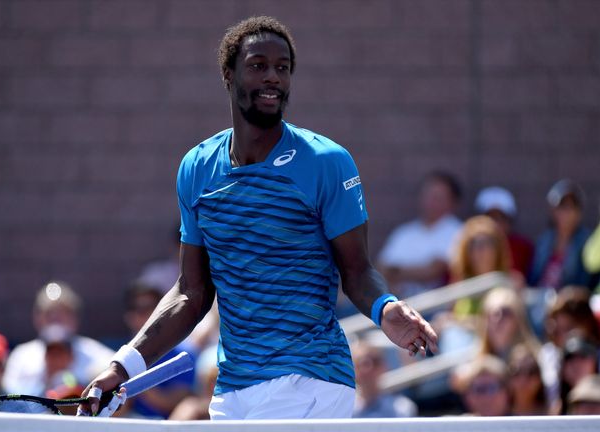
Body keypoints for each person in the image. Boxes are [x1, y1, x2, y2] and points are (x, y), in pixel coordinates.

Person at [78, 16, 438, 420]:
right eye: (258, 65)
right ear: (228, 75)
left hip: (311, 377)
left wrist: (385, 308)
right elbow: (190, 293)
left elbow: (356, 270)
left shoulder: (326, 162)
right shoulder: (196, 169)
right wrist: (122, 366)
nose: (273, 77)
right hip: (234, 389)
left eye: (282, 68)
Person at [2, 281, 114, 396]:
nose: (55, 318)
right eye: (49, 312)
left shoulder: (94, 352)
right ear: (37, 317)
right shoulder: (21, 355)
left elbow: (116, 376)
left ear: (74, 317)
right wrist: (45, 383)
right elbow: (9, 393)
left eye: (63, 312)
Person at [377, 171, 463, 298]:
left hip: (434, 307)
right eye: (428, 195)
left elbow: (433, 272)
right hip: (396, 303)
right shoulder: (404, 232)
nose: (432, 202)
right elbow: (380, 269)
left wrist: (395, 271)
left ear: (452, 202)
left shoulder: (458, 231)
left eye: (438, 197)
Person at [117, 282, 195, 419]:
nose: (147, 314)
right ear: (129, 317)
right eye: (138, 309)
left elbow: (174, 402)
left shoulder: (183, 353)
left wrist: (133, 379)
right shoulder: (121, 355)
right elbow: (118, 412)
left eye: (152, 308)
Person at [449, 215, 525, 318]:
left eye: (486, 243)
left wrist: (457, 323)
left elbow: (507, 325)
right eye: (473, 244)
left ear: (498, 249)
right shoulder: (459, 283)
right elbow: (453, 316)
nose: (480, 250)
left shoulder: (512, 282)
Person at [529, 179, 595, 290]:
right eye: (562, 207)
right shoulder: (544, 240)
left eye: (572, 207)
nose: (567, 212)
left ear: (579, 212)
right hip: (540, 297)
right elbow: (533, 278)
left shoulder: (588, 241)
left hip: (570, 300)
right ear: (553, 211)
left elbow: (584, 283)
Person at [474, 186, 534, 281]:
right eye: (491, 217)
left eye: (502, 218)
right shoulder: (468, 244)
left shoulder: (523, 247)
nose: (496, 223)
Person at [350, 339, 417, 418]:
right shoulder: (343, 409)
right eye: (363, 363)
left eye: (375, 362)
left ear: (384, 367)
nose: (369, 368)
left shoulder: (403, 408)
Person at [506, 344, 548, 415]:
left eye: (531, 371)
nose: (524, 379)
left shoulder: (553, 414)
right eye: (516, 371)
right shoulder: (497, 414)